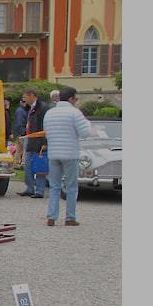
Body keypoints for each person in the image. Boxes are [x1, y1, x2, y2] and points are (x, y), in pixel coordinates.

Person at [42, 86, 93, 226]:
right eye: (75, 98)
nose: (76, 101)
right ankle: (70, 217)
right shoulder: (75, 113)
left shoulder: (49, 113)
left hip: (53, 153)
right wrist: (88, 123)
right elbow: (85, 133)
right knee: (71, 186)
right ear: (71, 99)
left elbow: (46, 132)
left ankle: (51, 216)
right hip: (70, 153)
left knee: (54, 186)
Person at [18, 88, 49, 198]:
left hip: (39, 141)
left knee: (39, 165)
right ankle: (30, 188)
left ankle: (39, 190)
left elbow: (45, 126)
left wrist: (45, 142)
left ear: (31, 95)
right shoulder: (31, 108)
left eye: (25, 97)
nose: (24, 99)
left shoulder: (42, 108)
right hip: (31, 140)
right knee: (28, 166)